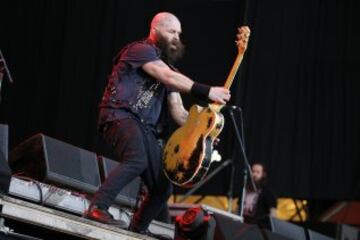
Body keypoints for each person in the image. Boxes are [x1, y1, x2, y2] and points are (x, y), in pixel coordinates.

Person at [85, 11, 249, 234]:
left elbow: (179, 113)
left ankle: (138, 229)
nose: (176, 37)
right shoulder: (140, 50)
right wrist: (207, 91)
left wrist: (203, 132)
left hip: (145, 127)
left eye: (179, 33)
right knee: (137, 159)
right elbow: (167, 77)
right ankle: (97, 207)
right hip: (120, 115)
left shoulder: (172, 70)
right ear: (155, 30)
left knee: (163, 187)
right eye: (171, 31)